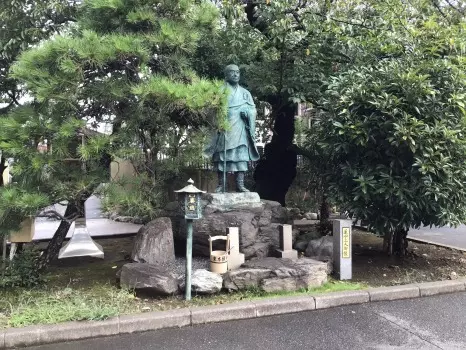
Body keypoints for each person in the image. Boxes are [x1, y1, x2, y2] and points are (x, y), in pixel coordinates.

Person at [204, 64, 259, 192]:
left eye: (238, 72)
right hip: (225, 128)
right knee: (222, 157)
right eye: (232, 72)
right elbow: (210, 110)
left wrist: (247, 113)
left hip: (240, 128)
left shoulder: (245, 94)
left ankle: (240, 185)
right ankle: (221, 185)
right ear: (226, 75)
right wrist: (219, 118)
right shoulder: (219, 92)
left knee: (241, 156)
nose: (235, 75)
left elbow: (253, 110)